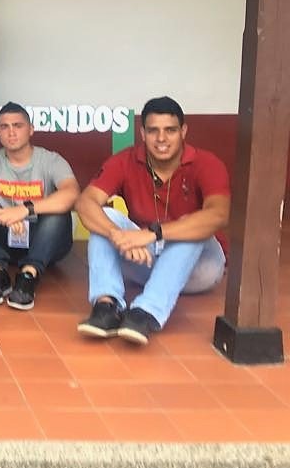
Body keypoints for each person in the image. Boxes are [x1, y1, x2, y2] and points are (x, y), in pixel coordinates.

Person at [75, 96, 230, 345]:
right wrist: (118, 234)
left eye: (170, 130)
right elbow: (85, 202)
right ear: (142, 133)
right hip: (145, 258)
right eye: (153, 130)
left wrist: (152, 233)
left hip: (200, 267)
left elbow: (218, 215)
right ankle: (106, 306)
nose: (161, 139)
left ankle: (146, 312)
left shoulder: (206, 162)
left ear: (183, 131)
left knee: (193, 225)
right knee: (107, 217)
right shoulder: (126, 160)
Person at [0, 101, 79, 310]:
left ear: (31, 130)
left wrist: (25, 210)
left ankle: (29, 275)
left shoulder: (50, 160)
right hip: (6, 238)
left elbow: (72, 193)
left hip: (44, 241)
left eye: (18, 126)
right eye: (4, 127)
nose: (11, 132)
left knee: (59, 214)